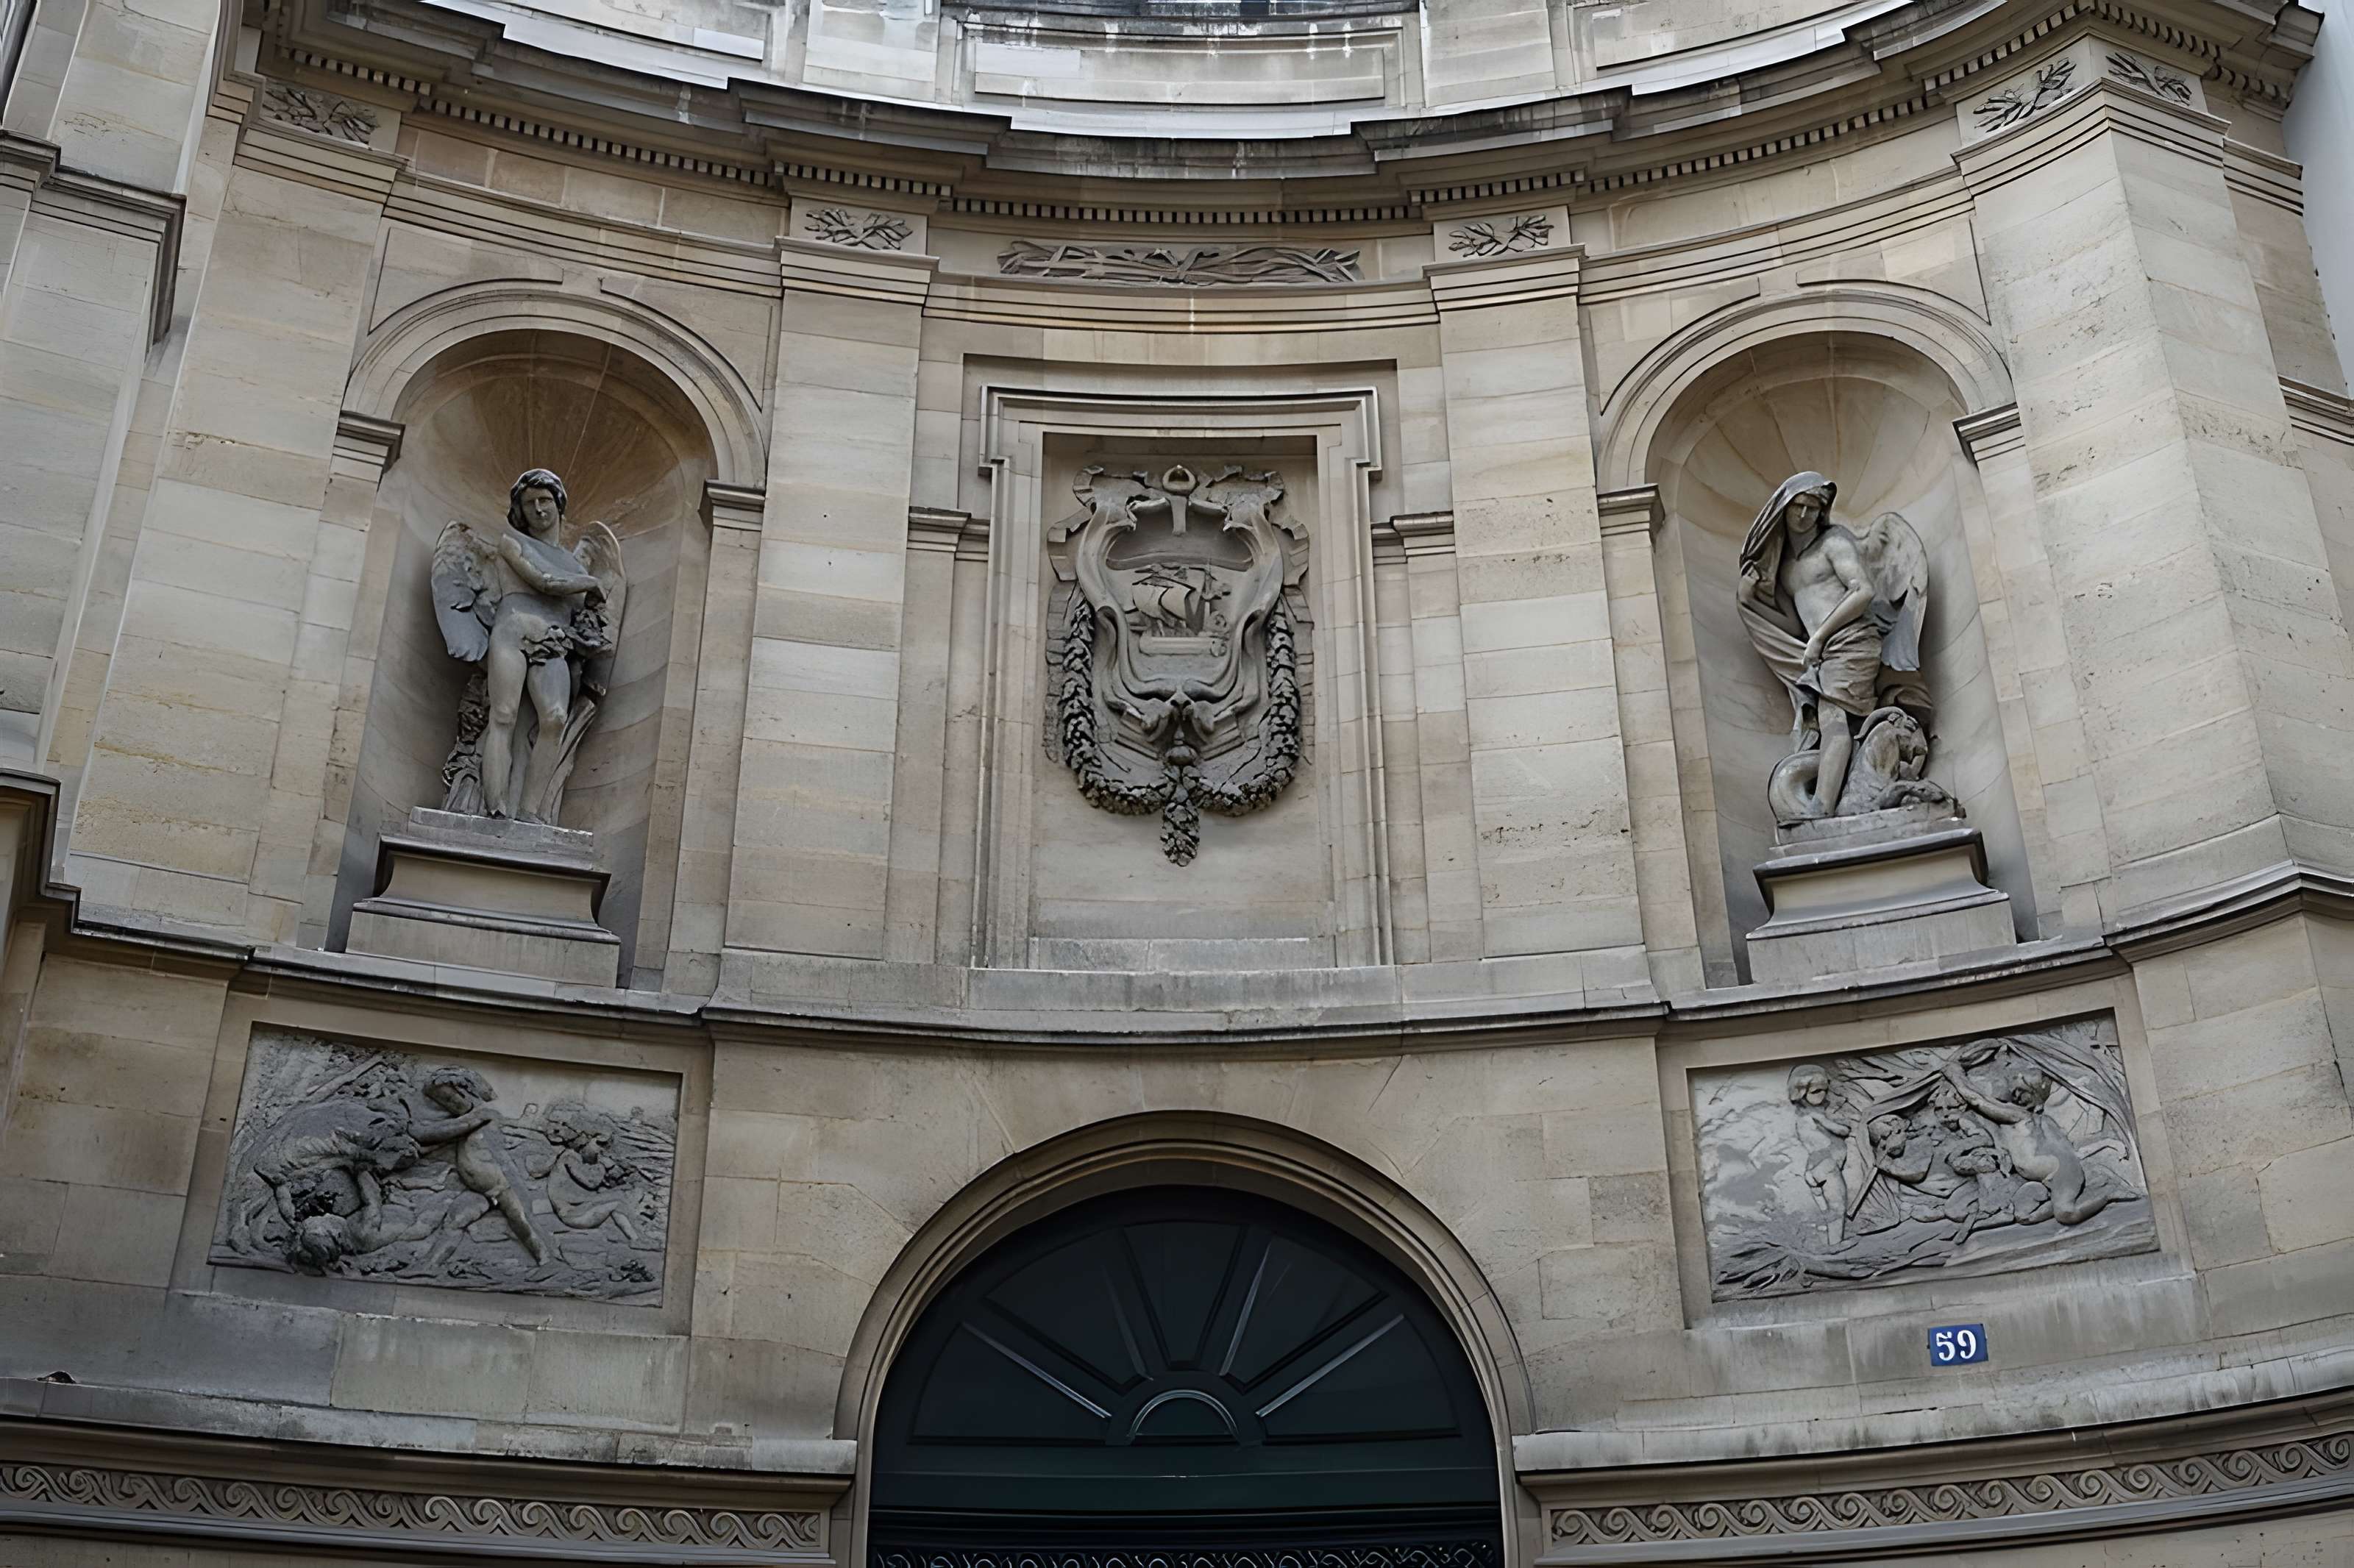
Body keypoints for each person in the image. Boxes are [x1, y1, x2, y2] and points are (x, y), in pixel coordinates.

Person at [1736, 472, 1929, 818]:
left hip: (1852, 639)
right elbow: (1796, 627)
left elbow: (1863, 591)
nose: (1805, 516)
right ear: (1783, 508)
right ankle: (1835, 798)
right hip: (1823, 650)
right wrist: (1752, 602)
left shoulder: (1834, 542)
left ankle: (1821, 809)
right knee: (1830, 720)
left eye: (1814, 508)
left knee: (1833, 718)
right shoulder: (1787, 569)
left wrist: (1821, 637)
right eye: (1799, 507)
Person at [410, 1066, 552, 1267]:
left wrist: (419, 1132)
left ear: (467, 1093)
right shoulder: (464, 1122)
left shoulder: (482, 1115)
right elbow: (444, 1141)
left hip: (503, 1187)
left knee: (521, 1221)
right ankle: (429, 1266)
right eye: (443, 1103)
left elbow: (437, 1133)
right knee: (455, 1221)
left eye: (451, 1099)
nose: (448, 1106)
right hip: (480, 1191)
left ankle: (545, 1261)